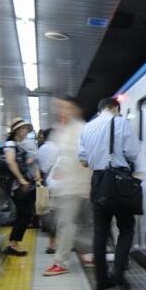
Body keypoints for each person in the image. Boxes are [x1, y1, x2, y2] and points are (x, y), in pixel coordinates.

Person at [78, 96, 138, 290]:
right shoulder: (120, 122)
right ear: (114, 108)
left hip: (97, 182)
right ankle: (118, 272)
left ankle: (101, 280)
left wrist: (99, 158)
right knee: (126, 227)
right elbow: (132, 153)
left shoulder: (87, 127)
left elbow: (83, 161)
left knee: (100, 232)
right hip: (118, 182)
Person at [43, 96, 93, 276]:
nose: (61, 111)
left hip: (77, 186)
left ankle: (60, 262)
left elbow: (88, 159)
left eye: (65, 107)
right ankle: (87, 254)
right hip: (65, 187)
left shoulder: (83, 129)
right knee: (74, 223)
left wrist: (88, 185)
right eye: (59, 107)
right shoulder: (62, 130)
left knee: (67, 224)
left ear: (76, 109)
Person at [4, 118, 41, 256]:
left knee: (24, 214)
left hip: (22, 184)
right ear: (18, 130)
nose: (26, 131)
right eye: (24, 128)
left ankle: (13, 243)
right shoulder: (11, 144)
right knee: (24, 214)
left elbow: (25, 163)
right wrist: (20, 179)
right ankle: (13, 244)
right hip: (16, 185)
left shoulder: (18, 145)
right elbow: (10, 161)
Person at [36, 127, 60, 254]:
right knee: (61, 213)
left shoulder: (41, 149)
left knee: (50, 211)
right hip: (59, 182)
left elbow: (38, 166)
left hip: (46, 181)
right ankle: (60, 243)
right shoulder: (58, 149)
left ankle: (52, 243)